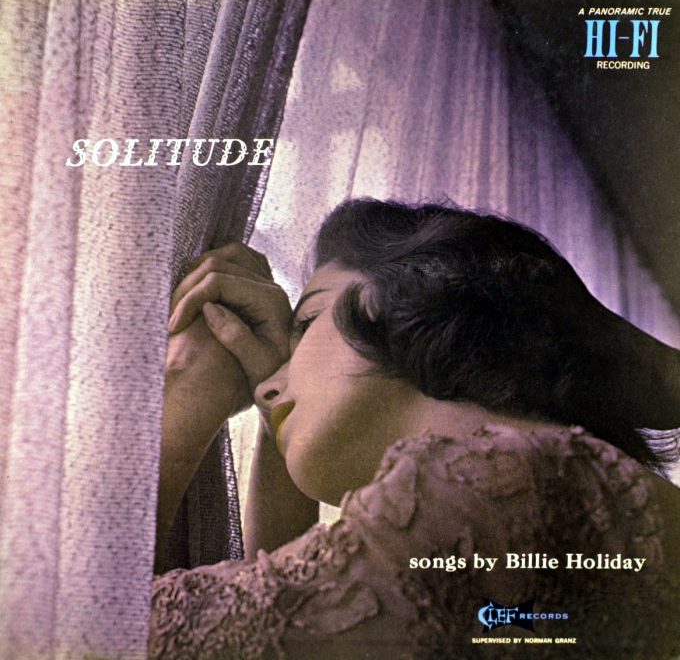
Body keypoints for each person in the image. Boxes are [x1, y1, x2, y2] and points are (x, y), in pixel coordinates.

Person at [150, 198, 680, 659]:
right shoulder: (553, 483)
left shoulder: (499, 480)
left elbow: (123, 634)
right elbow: (292, 625)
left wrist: (185, 391)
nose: (267, 388)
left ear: (414, 295)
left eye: (307, 323)